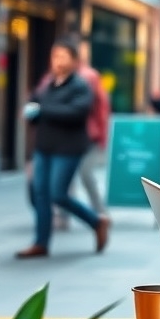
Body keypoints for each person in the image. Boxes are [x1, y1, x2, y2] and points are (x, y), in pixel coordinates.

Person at [17, 38, 110, 258]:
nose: (57, 60)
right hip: (44, 146)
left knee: (58, 194)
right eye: (54, 55)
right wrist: (31, 113)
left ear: (75, 60)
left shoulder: (81, 86)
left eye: (63, 56)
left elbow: (75, 113)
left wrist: (42, 110)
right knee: (40, 193)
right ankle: (41, 243)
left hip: (68, 149)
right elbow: (36, 108)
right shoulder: (47, 84)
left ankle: (96, 221)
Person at [54, 37, 111, 230]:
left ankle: (101, 213)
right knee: (65, 178)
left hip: (88, 136)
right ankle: (64, 215)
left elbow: (101, 108)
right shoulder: (57, 76)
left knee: (86, 174)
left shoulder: (89, 77)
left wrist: (102, 135)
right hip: (65, 136)